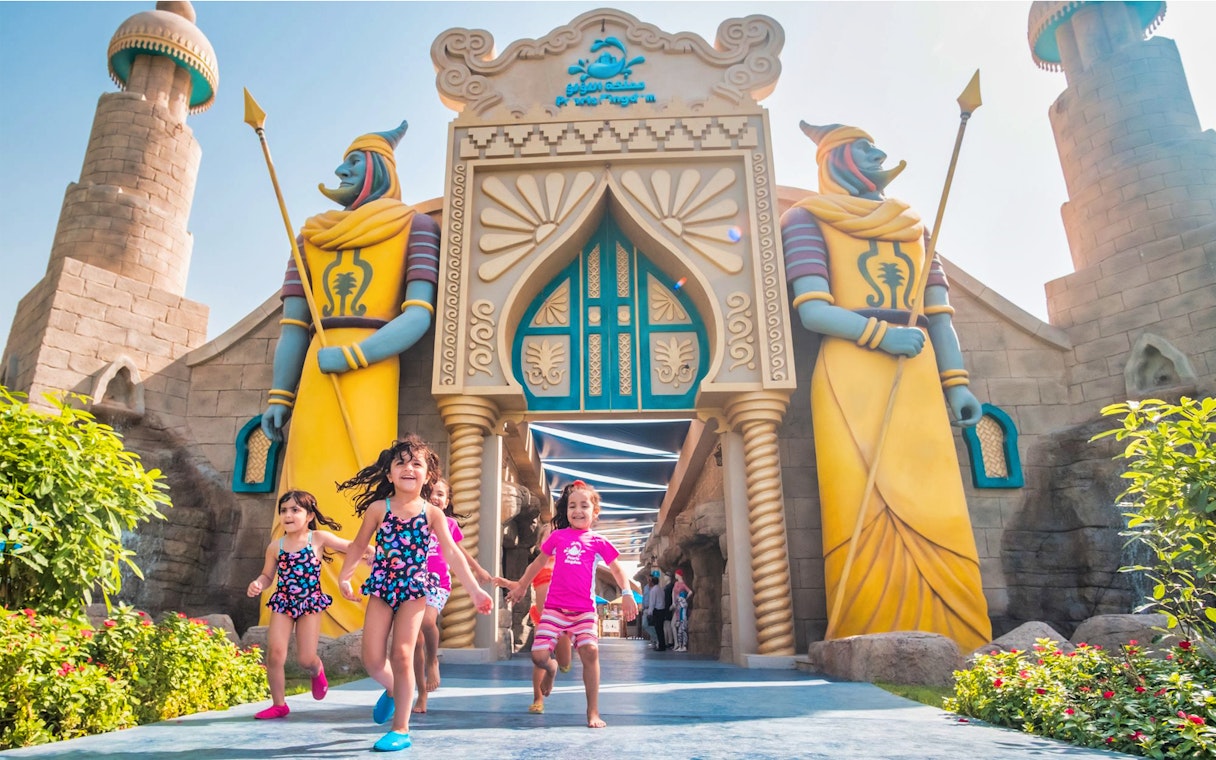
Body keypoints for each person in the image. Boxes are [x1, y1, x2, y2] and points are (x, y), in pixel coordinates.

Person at [779, 122, 991, 652]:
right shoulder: (805, 219)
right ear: (839, 159)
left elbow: (940, 316)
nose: (879, 155)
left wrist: (956, 382)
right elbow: (813, 309)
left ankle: (959, 634)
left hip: (916, 373)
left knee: (934, 498)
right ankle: (866, 632)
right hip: (851, 370)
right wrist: (881, 335)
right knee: (862, 500)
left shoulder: (920, 229)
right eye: (866, 149)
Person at [259, 120, 441, 638]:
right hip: (318, 374)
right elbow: (294, 324)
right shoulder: (311, 235)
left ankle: (353, 613)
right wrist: (280, 393)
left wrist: (357, 353)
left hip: (370, 374)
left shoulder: (415, 226)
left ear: (379, 169)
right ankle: (282, 612)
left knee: (360, 482)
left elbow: (418, 314)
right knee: (304, 482)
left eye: (354, 161)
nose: (341, 169)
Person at [336, 435, 493, 753]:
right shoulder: (379, 509)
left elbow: (452, 554)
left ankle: (401, 728)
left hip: (414, 590)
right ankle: (395, 690)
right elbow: (357, 545)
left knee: (403, 655)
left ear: (428, 476)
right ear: (390, 474)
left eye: (416, 463)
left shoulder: (432, 514)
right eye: (401, 463)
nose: (409, 468)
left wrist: (476, 591)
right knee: (372, 660)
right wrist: (345, 577)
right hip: (382, 588)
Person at [503, 481, 638, 728]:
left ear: (594, 512)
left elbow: (618, 570)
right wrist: (522, 585)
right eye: (572, 506)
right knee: (538, 655)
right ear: (566, 512)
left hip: (584, 611)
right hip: (554, 609)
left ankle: (593, 712)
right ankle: (552, 669)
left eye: (584, 506)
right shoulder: (557, 537)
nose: (577, 510)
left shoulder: (598, 541)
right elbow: (537, 564)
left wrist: (627, 593)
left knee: (591, 652)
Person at [246, 490, 361, 719]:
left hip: (309, 603)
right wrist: (258, 583)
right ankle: (279, 704)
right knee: (275, 654)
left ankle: (317, 669)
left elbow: (350, 546)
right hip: (283, 603)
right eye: (283, 510)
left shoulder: (317, 538)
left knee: (305, 658)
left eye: (295, 510)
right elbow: (267, 575)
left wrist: (372, 552)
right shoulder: (275, 547)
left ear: (309, 515)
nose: (288, 515)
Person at [412, 477, 492, 714]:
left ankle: (433, 659)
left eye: (440, 494)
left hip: (438, 582)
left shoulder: (448, 524)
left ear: (447, 502)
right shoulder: (414, 521)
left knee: (427, 621)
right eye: (430, 493)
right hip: (413, 581)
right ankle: (421, 694)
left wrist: (477, 569)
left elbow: (458, 551)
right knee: (415, 640)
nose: (434, 498)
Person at [494, 488, 575, 714]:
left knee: (565, 659)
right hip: (544, 617)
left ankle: (557, 664)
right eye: (547, 535)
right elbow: (524, 581)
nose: (552, 537)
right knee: (539, 658)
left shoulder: (569, 557)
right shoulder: (538, 566)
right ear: (540, 544)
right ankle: (538, 697)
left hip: (567, 615)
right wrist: (510, 584)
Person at [644, 573, 669, 651]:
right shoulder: (661, 589)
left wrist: (649, 612)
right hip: (662, 610)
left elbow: (652, 602)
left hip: (657, 611)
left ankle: (661, 646)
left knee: (658, 629)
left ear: (652, 582)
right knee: (661, 628)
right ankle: (662, 644)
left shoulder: (653, 590)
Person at [671, 569, 693, 652]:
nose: (675, 575)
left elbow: (690, 591)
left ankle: (684, 645)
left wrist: (685, 598)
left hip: (681, 604)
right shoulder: (676, 584)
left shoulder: (683, 585)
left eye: (676, 574)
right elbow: (673, 593)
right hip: (677, 605)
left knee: (682, 624)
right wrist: (674, 602)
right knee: (679, 625)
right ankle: (680, 645)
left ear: (679, 574)